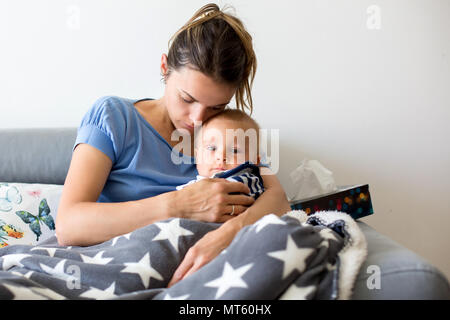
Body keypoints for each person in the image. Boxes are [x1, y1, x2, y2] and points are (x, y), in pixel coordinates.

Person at [55, 3, 291, 287]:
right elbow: (68, 225)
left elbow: (278, 199)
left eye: (217, 106)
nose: (198, 119)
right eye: (187, 98)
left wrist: (225, 236)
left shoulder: (228, 135)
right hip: (112, 268)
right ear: (165, 67)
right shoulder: (114, 117)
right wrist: (181, 205)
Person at [176, 109, 266, 202]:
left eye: (234, 150)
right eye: (212, 148)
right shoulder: (191, 186)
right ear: (198, 157)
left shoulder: (245, 181)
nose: (221, 157)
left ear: (255, 161)